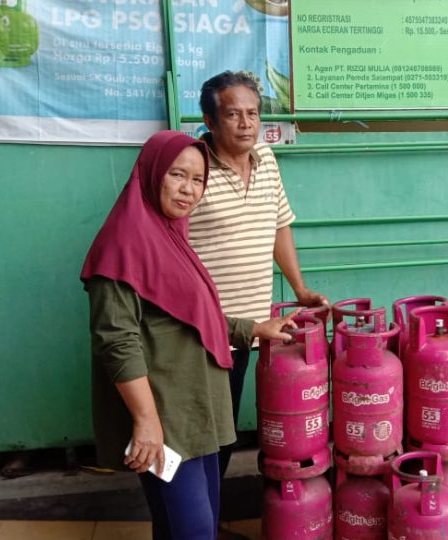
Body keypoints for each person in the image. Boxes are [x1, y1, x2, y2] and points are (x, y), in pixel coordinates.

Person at [81, 130, 297, 540]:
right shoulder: (121, 247)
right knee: (195, 529)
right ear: (152, 173)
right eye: (177, 175)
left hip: (197, 407)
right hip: (166, 413)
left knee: (182, 523)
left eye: (197, 180)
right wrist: (146, 422)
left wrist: (252, 328)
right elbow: (117, 342)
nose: (188, 190)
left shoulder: (170, 236)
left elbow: (193, 316)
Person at [189, 71, 328, 480]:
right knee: (203, 435)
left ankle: (204, 520)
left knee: (224, 433)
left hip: (250, 329)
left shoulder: (266, 159)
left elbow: (279, 224)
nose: (247, 123)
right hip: (204, 330)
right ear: (210, 121)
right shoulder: (193, 167)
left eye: (253, 114)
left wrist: (299, 288)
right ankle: (195, 523)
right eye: (233, 114)